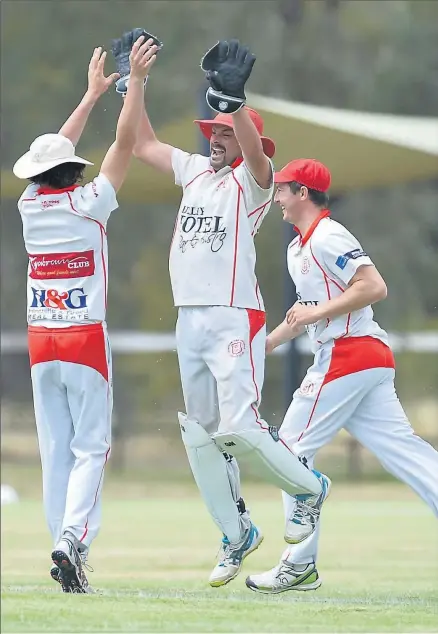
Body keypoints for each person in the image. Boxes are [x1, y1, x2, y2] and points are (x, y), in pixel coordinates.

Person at [116, 32, 327, 587]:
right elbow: (138, 143)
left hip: (235, 315)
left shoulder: (251, 183)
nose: (215, 139)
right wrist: (135, 82)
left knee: (241, 427)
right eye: (211, 131)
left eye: (224, 133)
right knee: (202, 433)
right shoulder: (194, 172)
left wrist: (234, 107)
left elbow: (259, 156)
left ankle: (308, 487)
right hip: (191, 319)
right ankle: (236, 533)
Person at [245, 158, 438, 594]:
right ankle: (300, 563)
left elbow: (373, 287)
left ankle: (299, 565)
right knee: (406, 453)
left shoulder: (329, 236)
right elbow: (304, 315)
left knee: (288, 451)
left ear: (302, 193)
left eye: (282, 189)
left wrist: (317, 313)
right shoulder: (299, 247)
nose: (276, 197)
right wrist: (266, 345)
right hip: (364, 357)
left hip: (349, 355)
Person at [13, 35, 159, 593]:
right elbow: (125, 144)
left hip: (39, 344)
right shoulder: (89, 203)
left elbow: (53, 154)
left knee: (56, 451)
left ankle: (60, 542)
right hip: (82, 342)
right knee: (91, 448)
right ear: (75, 171)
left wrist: (90, 95)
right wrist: (133, 86)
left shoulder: (30, 207)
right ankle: (73, 540)